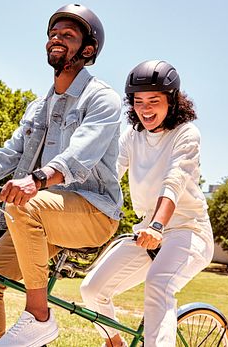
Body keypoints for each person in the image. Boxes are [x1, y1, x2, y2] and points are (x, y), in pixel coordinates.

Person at [0, 4, 123, 347]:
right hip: (41, 217)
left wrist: (36, 180)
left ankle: (39, 316)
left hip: (93, 212)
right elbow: (8, 154)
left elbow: (80, 154)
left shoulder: (102, 99)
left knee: (26, 203)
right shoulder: (37, 108)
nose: (56, 39)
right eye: (52, 34)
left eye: (67, 35)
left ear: (87, 50)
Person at [79, 60, 214, 347]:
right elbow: (110, 175)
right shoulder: (132, 136)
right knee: (92, 290)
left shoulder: (186, 134)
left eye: (154, 100)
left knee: (158, 285)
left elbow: (174, 181)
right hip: (146, 234)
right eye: (138, 101)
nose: (146, 109)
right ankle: (116, 344)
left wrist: (157, 225)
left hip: (187, 232)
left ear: (172, 101)